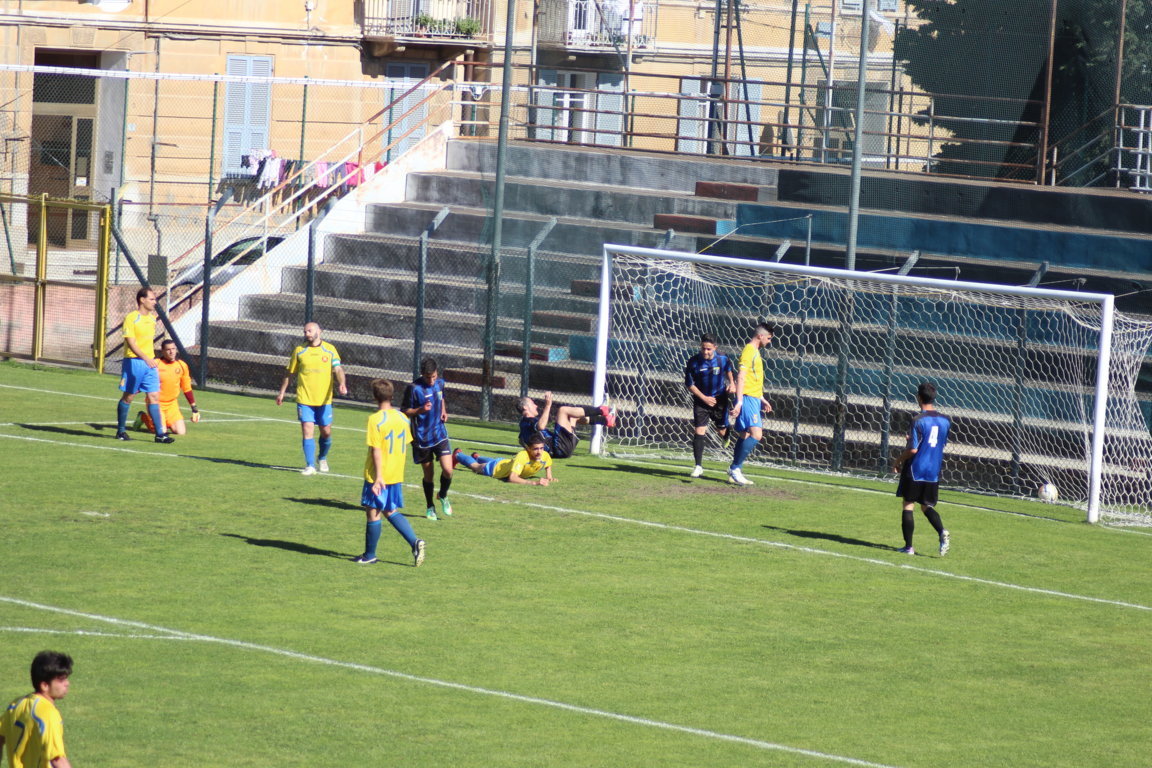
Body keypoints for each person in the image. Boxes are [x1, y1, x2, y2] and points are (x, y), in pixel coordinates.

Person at [354, 379, 425, 567]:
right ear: (392, 395)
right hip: (395, 473)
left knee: (373, 513)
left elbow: (376, 450)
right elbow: (406, 442)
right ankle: (415, 542)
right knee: (390, 510)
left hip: (378, 475)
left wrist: (378, 477)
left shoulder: (375, 419)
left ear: (374, 397)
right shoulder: (403, 418)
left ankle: (369, 555)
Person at [275, 322, 347, 475]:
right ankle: (310, 465)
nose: (307, 333)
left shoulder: (330, 349)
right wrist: (282, 392)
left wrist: (342, 383)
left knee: (326, 432)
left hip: (324, 400)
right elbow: (290, 373)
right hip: (304, 399)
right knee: (307, 430)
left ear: (319, 331)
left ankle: (322, 457)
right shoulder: (299, 351)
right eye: (305, 331)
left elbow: (338, 369)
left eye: (310, 330)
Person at [892, 382, 951, 556]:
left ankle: (908, 547)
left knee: (908, 504)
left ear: (918, 397)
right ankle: (942, 531)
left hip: (916, 468)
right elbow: (940, 443)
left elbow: (913, 450)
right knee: (926, 506)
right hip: (933, 471)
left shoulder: (917, 420)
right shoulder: (945, 420)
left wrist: (897, 461)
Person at [114, 287, 173, 443]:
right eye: (152, 299)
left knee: (154, 396)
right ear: (142, 300)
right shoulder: (131, 318)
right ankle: (121, 431)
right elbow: (131, 343)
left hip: (149, 363)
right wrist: (145, 358)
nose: (155, 302)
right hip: (134, 362)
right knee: (129, 396)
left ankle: (160, 434)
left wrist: (149, 359)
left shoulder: (152, 319)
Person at [0, 650, 74, 768]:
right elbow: (57, 760)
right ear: (44, 685)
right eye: (61, 680)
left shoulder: (16, 704)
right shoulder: (48, 713)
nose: (67, 683)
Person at [402, 358, 454, 520]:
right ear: (422, 374)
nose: (431, 380)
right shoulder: (413, 388)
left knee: (448, 470)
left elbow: (441, 397)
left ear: (437, 373)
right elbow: (404, 411)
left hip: (439, 433)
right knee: (429, 475)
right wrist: (420, 410)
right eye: (427, 377)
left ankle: (443, 495)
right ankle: (430, 506)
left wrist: (443, 411)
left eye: (433, 377)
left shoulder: (440, 383)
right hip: (421, 438)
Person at [727, 322, 775, 486]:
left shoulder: (755, 352)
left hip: (753, 398)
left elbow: (752, 379)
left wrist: (761, 398)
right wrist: (739, 402)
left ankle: (736, 470)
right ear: (760, 336)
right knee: (756, 434)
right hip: (747, 399)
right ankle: (735, 468)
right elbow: (741, 377)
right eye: (768, 338)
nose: (769, 341)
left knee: (745, 435)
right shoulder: (749, 351)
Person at [684, 333, 736, 477]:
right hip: (701, 401)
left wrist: (732, 383)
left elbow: (729, 370)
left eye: (709, 349)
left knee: (721, 430)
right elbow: (689, 384)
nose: (705, 352)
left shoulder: (722, 358)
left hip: (720, 400)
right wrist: (704, 398)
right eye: (703, 348)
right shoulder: (694, 361)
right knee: (699, 430)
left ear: (715, 347)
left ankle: (726, 435)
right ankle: (698, 466)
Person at [517, 391, 615, 459]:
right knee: (563, 410)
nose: (536, 405)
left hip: (561, 448)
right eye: (532, 403)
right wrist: (548, 405)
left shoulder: (525, 424)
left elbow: (522, 440)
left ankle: (606, 420)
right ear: (525, 407)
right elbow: (541, 426)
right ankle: (602, 410)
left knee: (573, 417)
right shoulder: (528, 421)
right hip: (559, 448)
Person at [134, 340, 199, 436]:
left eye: (173, 349)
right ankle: (143, 417)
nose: (171, 352)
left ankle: (164, 422)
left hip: (172, 405)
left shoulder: (182, 365)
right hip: (156, 403)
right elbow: (144, 381)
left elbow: (187, 388)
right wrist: (134, 391)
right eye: (168, 350)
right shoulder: (155, 364)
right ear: (163, 351)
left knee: (181, 432)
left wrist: (194, 408)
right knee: (161, 431)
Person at [452, 435, 554, 486]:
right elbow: (512, 478)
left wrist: (549, 477)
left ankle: (477, 457)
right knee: (475, 467)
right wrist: (534, 483)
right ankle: (457, 455)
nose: (539, 452)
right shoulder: (523, 456)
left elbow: (548, 463)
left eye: (541, 448)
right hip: (495, 469)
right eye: (535, 449)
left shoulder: (544, 455)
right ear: (528, 449)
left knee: (494, 461)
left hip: (505, 463)